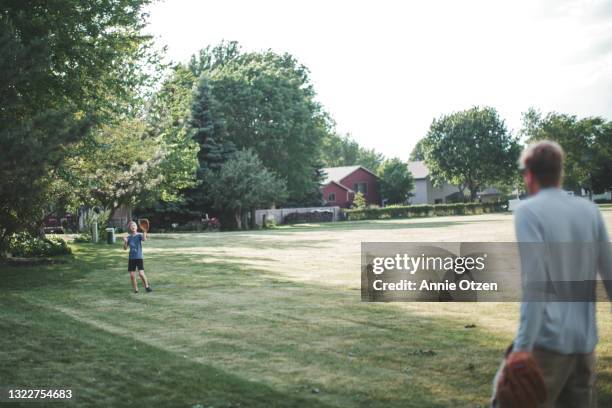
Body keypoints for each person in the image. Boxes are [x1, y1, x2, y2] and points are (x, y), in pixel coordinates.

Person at [492, 140, 612, 407]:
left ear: (529, 174)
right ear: (560, 172)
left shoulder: (528, 211)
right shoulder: (589, 210)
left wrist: (523, 347)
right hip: (584, 345)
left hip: (546, 345)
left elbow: (536, 283)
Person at [123, 220, 152, 294]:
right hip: (131, 258)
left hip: (139, 257)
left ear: (137, 227)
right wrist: (125, 241)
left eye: (134, 225)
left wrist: (145, 231)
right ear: (129, 228)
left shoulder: (139, 235)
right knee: (132, 275)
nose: (133, 227)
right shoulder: (128, 237)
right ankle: (136, 289)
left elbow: (144, 239)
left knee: (141, 273)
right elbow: (125, 248)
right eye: (131, 225)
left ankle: (147, 286)